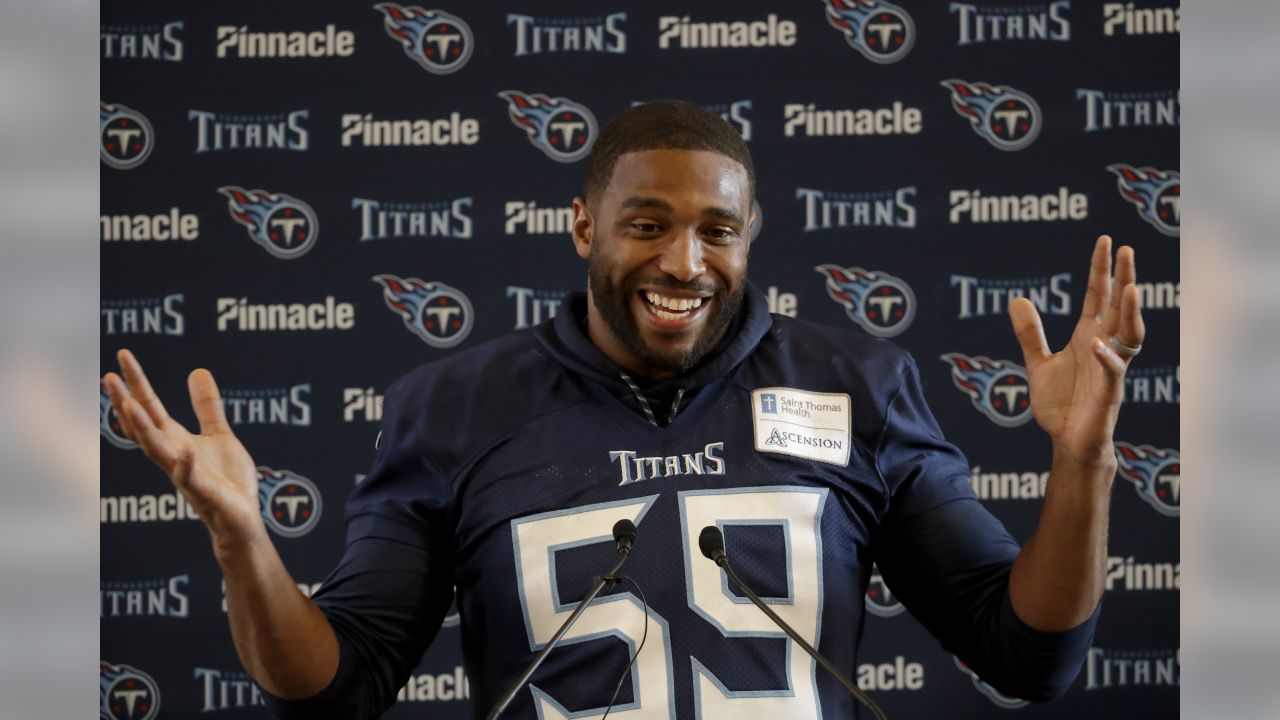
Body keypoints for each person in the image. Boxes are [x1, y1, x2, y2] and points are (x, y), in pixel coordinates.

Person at [103, 101, 1146, 719]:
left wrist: (1083, 459)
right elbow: (334, 691)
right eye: (644, 224)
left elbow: (1027, 656)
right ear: (582, 226)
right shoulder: (451, 406)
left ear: (750, 236)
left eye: (715, 231)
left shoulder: (855, 382)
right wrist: (243, 543)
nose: (682, 263)